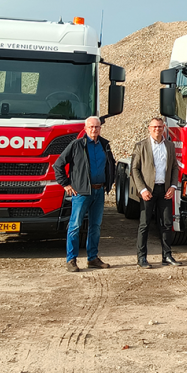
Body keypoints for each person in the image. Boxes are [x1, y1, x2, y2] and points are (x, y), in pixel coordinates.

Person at [53, 116, 116, 272]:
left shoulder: (104, 145)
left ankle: (92, 258)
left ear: (100, 128)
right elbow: (58, 164)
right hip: (81, 193)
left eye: (97, 127)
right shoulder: (76, 145)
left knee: (95, 226)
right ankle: (71, 260)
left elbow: (111, 165)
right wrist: (66, 184)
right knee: (75, 226)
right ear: (85, 128)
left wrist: (109, 182)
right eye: (91, 127)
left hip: (99, 191)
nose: (94, 130)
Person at [130, 117, 181, 268]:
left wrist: (173, 186)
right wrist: (142, 189)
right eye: (154, 127)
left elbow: (174, 167)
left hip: (164, 190)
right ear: (149, 128)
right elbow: (134, 169)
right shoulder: (141, 146)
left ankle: (167, 256)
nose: (157, 129)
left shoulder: (169, 146)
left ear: (164, 127)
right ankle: (142, 258)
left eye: (160, 127)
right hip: (148, 191)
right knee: (144, 224)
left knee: (166, 223)